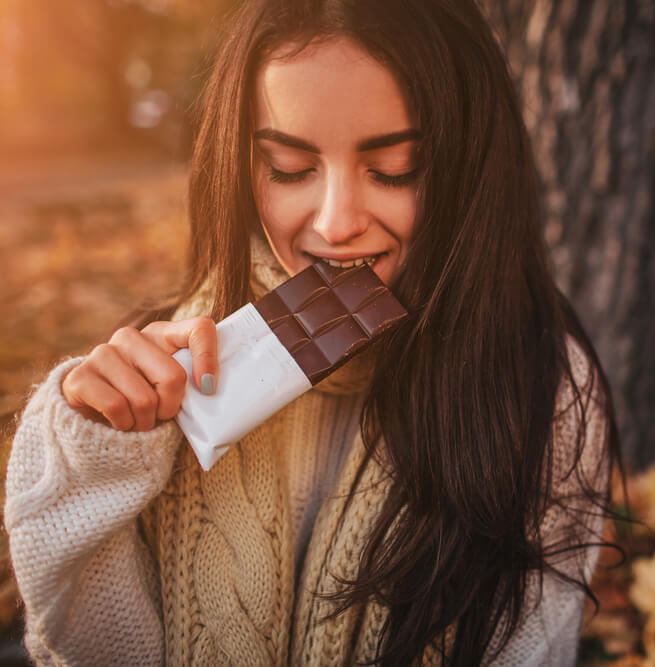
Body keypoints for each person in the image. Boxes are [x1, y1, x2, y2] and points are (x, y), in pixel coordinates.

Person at [4, 0, 619, 664]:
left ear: (469, 166)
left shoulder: (541, 392)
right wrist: (88, 458)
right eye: (291, 168)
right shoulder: (170, 370)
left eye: (394, 169)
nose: (337, 221)